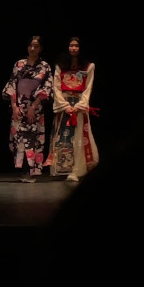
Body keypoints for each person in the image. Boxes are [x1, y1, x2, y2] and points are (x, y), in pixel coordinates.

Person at [45, 36, 100, 182]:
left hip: (79, 105)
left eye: (76, 46)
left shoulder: (89, 66)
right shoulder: (60, 65)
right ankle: (61, 170)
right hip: (64, 104)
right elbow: (56, 87)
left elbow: (88, 88)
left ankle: (77, 170)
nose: (74, 48)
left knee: (78, 138)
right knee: (62, 136)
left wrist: (79, 106)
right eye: (71, 45)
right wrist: (64, 105)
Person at [2, 35, 53, 182]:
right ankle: (23, 170)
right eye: (30, 45)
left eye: (36, 46)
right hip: (18, 105)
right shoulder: (19, 64)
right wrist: (13, 106)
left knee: (33, 138)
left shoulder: (44, 66)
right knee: (19, 139)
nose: (32, 48)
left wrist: (34, 106)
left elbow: (46, 87)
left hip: (35, 107)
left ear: (40, 48)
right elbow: (12, 84)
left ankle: (31, 171)